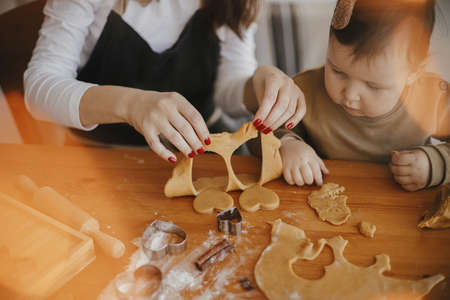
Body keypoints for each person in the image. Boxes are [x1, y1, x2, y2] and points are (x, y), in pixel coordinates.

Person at [24, 0, 305, 163]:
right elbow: (39, 88)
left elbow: (227, 91)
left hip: (203, 155)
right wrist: (131, 104)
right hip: (101, 160)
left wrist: (256, 84)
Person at [276, 0, 449, 191]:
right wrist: (286, 144)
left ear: (414, 73)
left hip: (403, 214)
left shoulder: (433, 99)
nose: (350, 95)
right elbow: (258, 134)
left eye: (373, 86)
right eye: (337, 71)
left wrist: (435, 164)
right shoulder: (304, 91)